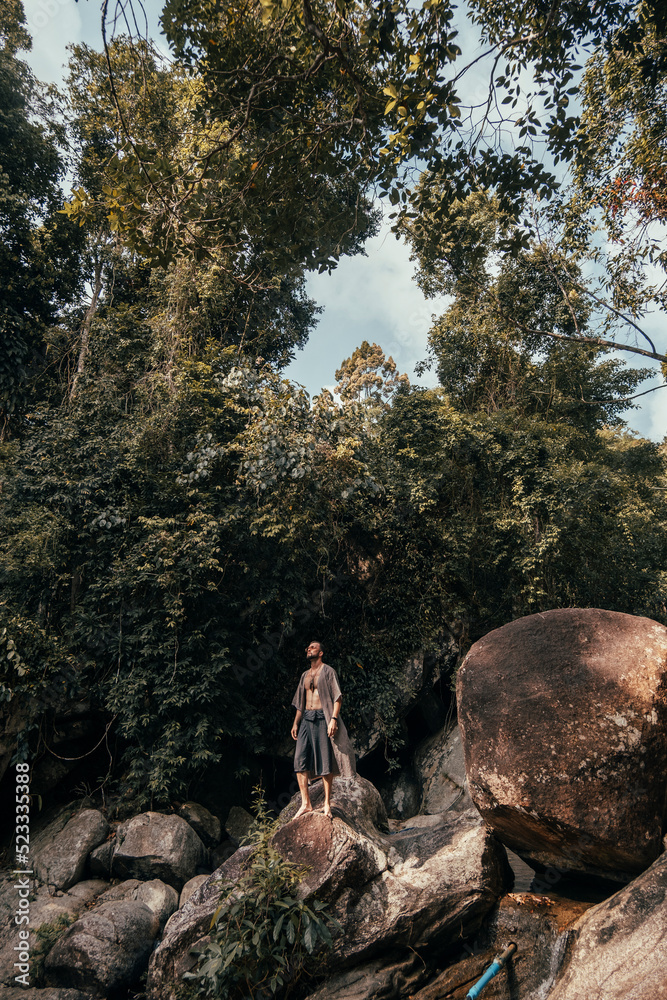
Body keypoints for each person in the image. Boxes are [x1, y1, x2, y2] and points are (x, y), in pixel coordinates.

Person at [291, 640, 356, 818]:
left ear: (320, 653)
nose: (309, 649)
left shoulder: (328, 671)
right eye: (308, 648)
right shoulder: (305, 675)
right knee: (299, 760)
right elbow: (299, 704)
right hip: (306, 719)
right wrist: (296, 723)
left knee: (325, 761)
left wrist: (333, 719)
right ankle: (306, 804)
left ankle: (327, 804)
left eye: (313, 647)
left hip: (322, 717)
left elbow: (337, 698)